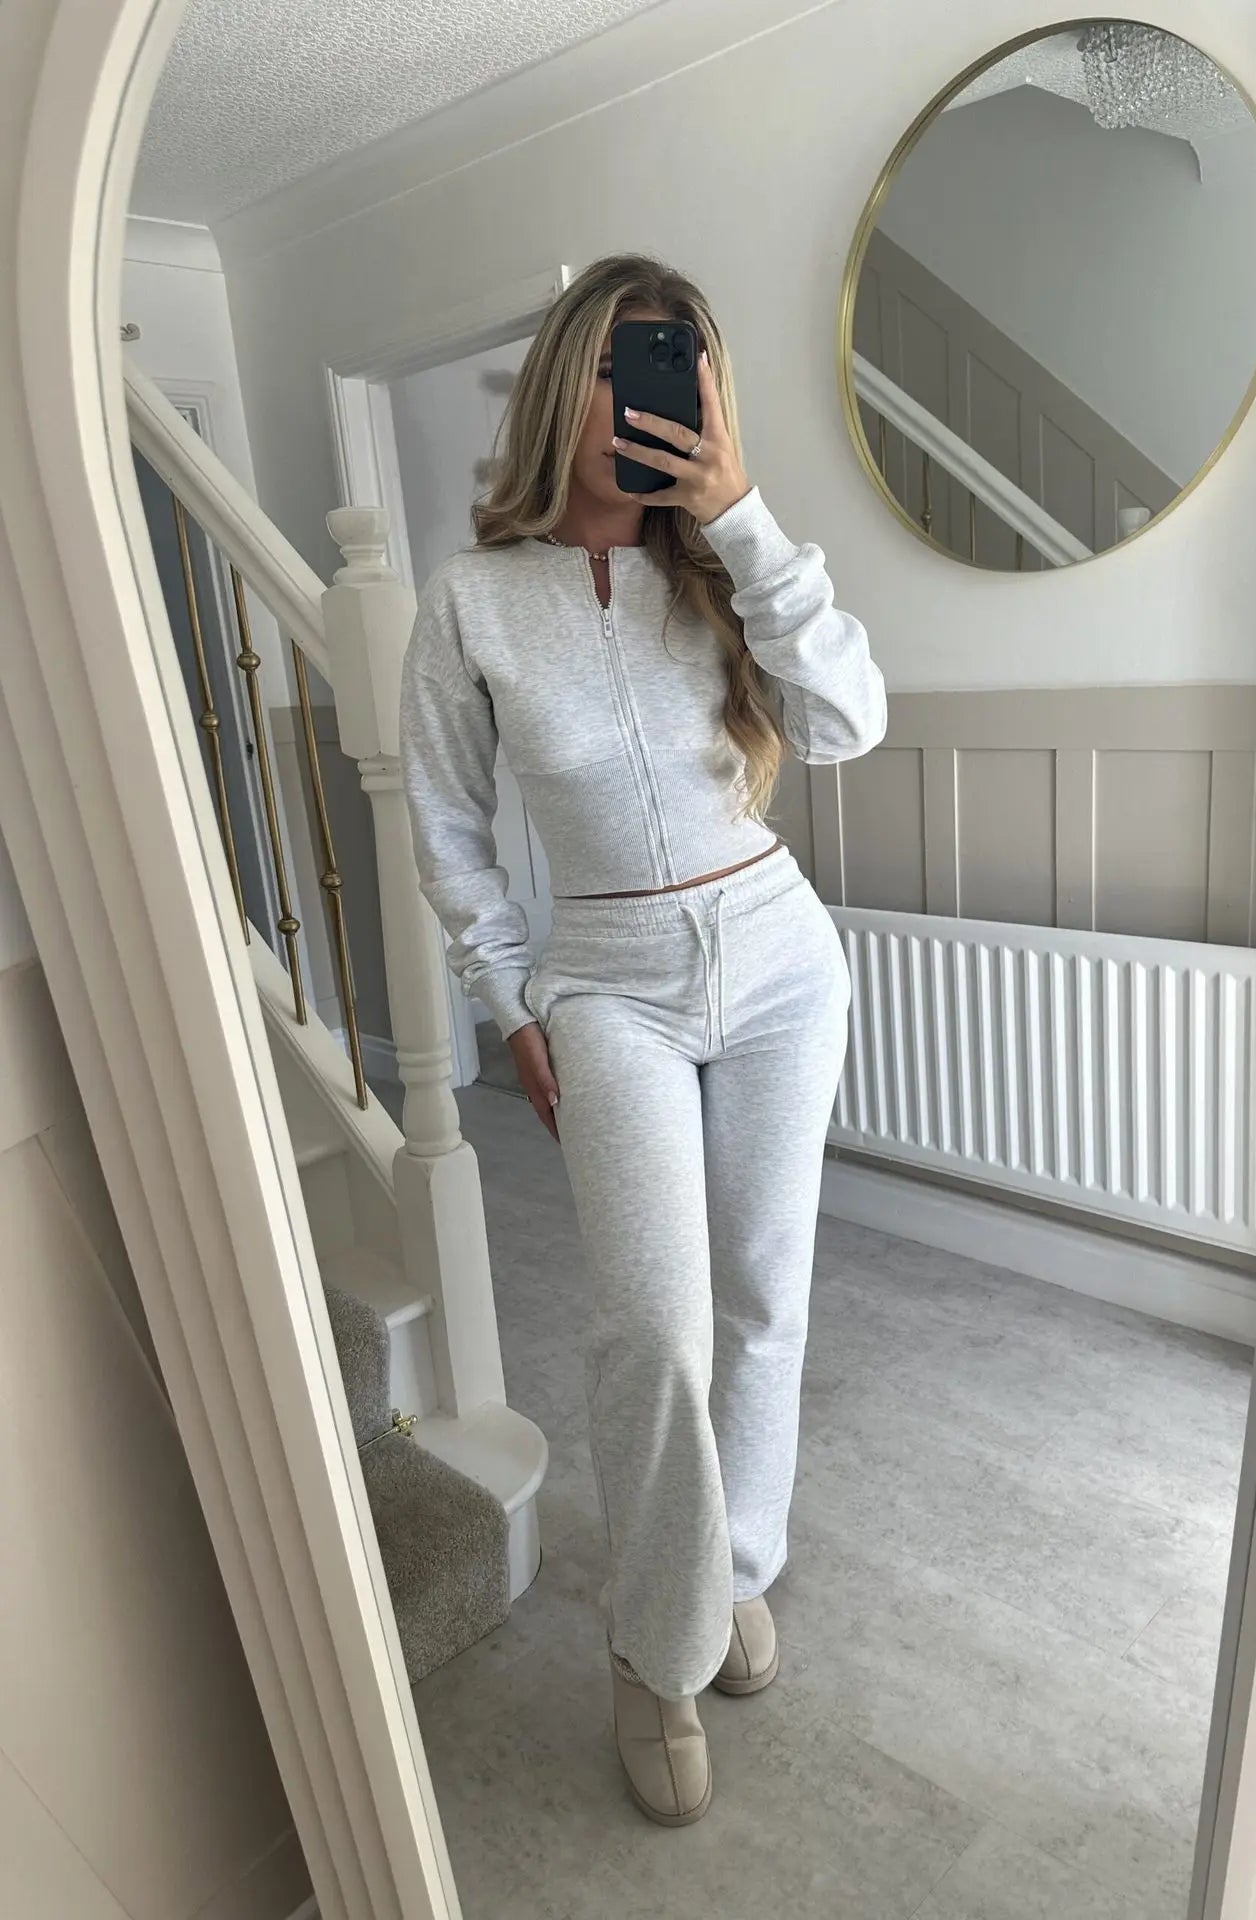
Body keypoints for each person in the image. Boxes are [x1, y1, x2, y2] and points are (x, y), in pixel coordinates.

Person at [399, 253, 885, 1826]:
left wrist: (743, 519)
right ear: (565, 382)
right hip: (606, 978)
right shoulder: (473, 600)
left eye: (673, 367)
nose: (640, 399)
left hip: (778, 953)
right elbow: (448, 828)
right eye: (615, 364)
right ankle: (654, 1650)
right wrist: (513, 996)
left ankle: (731, 1573)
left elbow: (850, 723)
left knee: (764, 1299)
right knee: (654, 1329)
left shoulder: (728, 563)